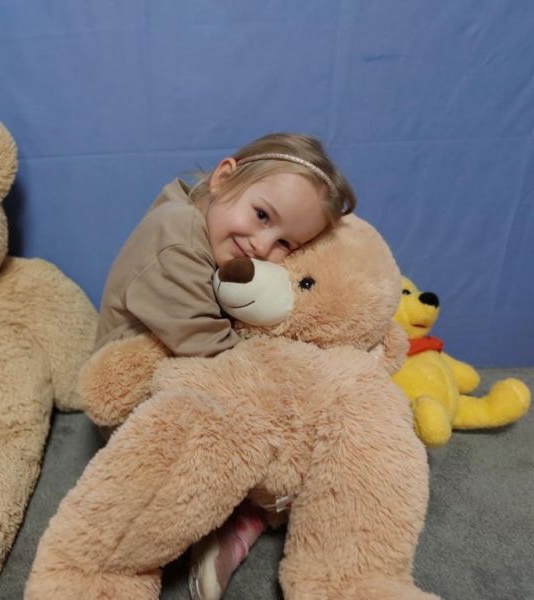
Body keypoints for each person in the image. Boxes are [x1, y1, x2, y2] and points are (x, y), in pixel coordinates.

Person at [93, 132, 357, 599]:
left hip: (187, 372)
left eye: (285, 242)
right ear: (223, 177)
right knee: (288, 430)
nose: (262, 245)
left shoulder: (204, 218)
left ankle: (235, 513)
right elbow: (212, 353)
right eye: (262, 216)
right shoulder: (175, 239)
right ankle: (229, 513)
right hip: (136, 407)